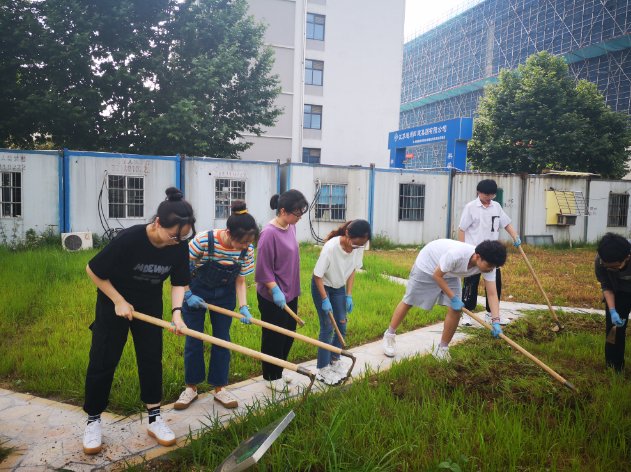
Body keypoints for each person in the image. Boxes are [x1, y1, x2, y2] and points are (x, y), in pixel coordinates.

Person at [82, 187, 196, 455]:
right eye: (173, 235)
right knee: (103, 359)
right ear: (157, 223)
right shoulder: (130, 238)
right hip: (114, 304)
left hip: (148, 304)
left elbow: (179, 282)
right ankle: (93, 420)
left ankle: (155, 418)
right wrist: (118, 301)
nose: (176, 241)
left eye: (183, 236)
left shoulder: (178, 245)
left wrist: (176, 313)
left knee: (150, 359)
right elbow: (93, 269)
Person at [174, 201, 258, 410]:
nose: (244, 247)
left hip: (225, 294)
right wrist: (188, 294)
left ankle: (220, 388)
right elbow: (181, 269)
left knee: (222, 340)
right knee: (194, 338)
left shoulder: (246, 249)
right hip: (196, 291)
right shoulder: (204, 239)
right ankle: (191, 388)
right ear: (228, 232)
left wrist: (243, 306)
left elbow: (240, 280)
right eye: (241, 243)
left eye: (248, 243)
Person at [382, 239, 507, 361]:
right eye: (489, 265)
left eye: (494, 267)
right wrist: (453, 298)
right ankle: (389, 335)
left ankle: (442, 349)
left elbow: (492, 294)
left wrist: (495, 320)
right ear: (478, 256)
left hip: (451, 272)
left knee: (456, 310)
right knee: (410, 300)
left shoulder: (489, 265)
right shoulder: (457, 255)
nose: (491, 269)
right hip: (428, 264)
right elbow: (437, 275)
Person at [255, 190, 309, 393]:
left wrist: (289, 290)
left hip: (290, 291)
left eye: (302, 212)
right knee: (274, 336)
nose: (300, 216)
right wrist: (275, 290)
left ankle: (280, 369)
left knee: (288, 335)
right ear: (283, 211)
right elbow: (263, 268)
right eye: (297, 212)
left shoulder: (290, 227)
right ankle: (271, 376)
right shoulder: (269, 233)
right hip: (273, 296)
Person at [311, 220, 371, 385]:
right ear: (347, 235)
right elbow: (317, 276)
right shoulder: (331, 248)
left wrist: (348, 295)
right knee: (328, 327)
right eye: (355, 243)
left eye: (361, 245)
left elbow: (352, 270)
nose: (356, 248)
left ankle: (334, 360)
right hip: (322, 286)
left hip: (338, 287)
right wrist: (324, 299)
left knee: (342, 323)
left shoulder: (359, 246)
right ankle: (322, 369)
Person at [458, 179, 520, 326]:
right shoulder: (471, 207)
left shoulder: (496, 206)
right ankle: (467, 313)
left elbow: (506, 223)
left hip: (492, 252)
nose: (489, 197)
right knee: (470, 283)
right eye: (486, 194)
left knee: (494, 284)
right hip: (475, 253)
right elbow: (462, 229)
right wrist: (461, 250)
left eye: (492, 195)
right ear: (479, 192)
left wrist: (515, 236)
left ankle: (491, 314)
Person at [595, 232, 631, 372]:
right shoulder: (600, 260)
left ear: (627, 258)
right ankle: (614, 367)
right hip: (618, 291)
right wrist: (612, 311)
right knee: (614, 330)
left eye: (615, 267)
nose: (611, 270)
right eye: (607, 267)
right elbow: (606, 285)